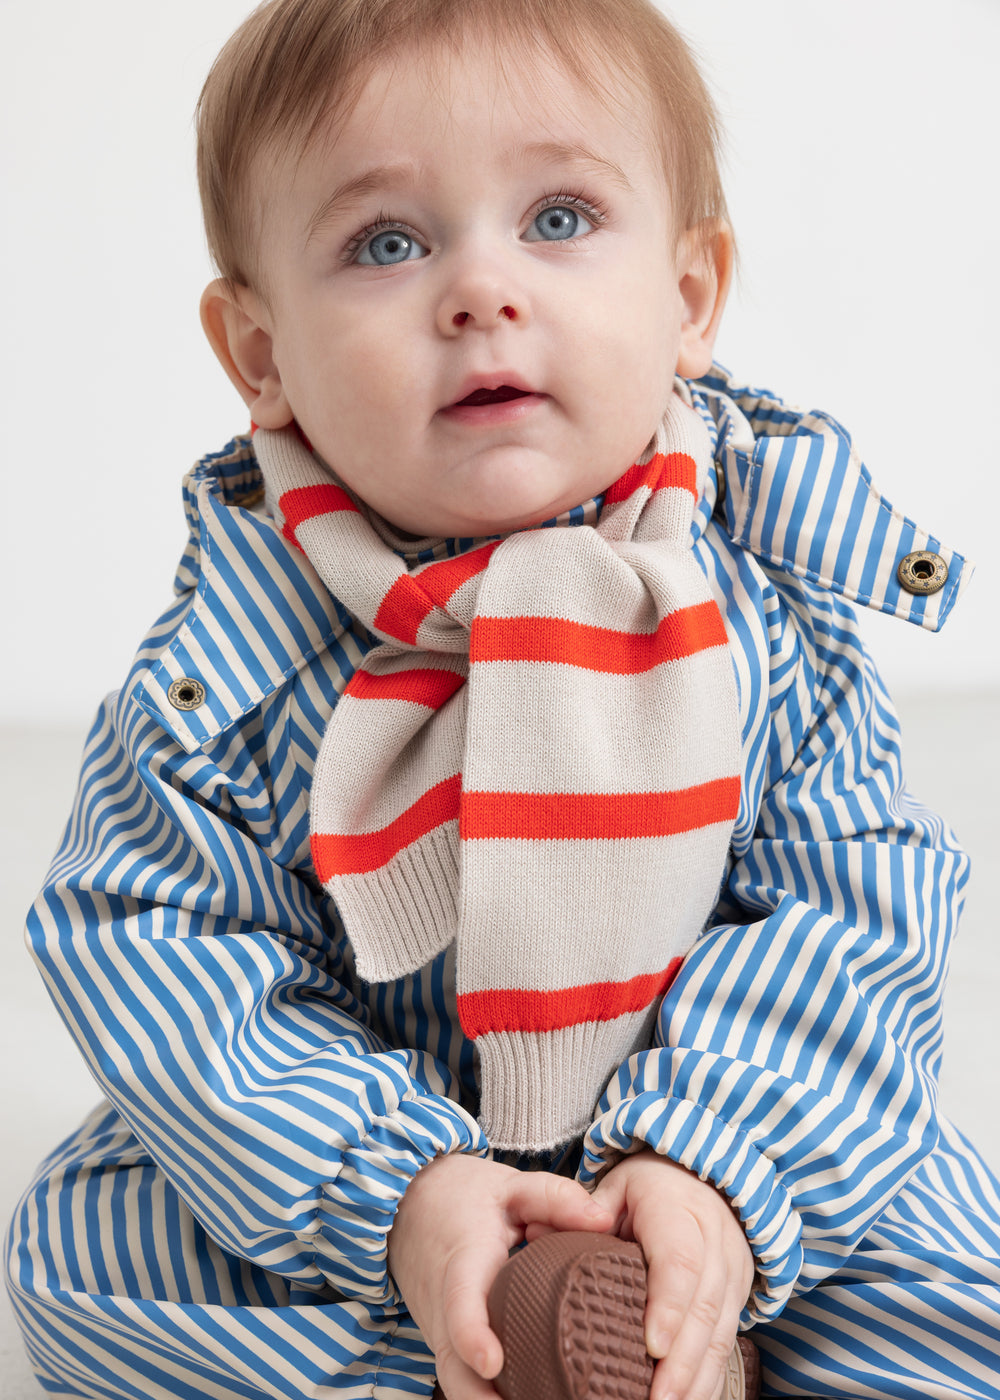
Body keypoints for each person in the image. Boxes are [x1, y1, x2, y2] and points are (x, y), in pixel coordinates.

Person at [5, 0, 1000, 1397]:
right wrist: (399, 1194)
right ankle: (501, 1335)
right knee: (84, 1277)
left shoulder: (763, 606)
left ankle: (688, 1306)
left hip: (724, 1137)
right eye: (386, 244)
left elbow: (852, 900)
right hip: (376, 1175)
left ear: (690, 296)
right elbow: (157, 945)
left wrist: (719, 1171)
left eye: (559, 219)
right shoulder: (227, 671)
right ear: (261, 355)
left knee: (957, 1295)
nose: (481, 289)